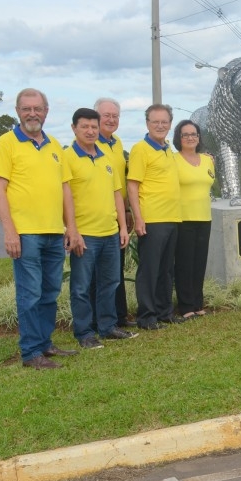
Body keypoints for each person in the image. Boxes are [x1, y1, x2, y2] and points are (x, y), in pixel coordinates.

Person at [0, 88, 78, 369]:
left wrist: (71, 228)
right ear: (17, 111)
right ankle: (30, 353)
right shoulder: (6, 143)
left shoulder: (54, 146)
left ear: (46, 111)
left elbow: (65, 190)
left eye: (37, 108)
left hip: (53, 232)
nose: (32, 114)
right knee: (30, 294)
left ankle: (44, 343)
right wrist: (10, 231)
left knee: (50, 292)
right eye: (26, 108)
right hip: (25, 233)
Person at [63, 107, 134, 349]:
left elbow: (117, 194)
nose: (90, 131)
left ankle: (107, 326)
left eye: (94, 126)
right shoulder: (67, 158)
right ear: (74, 128)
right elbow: (65, 198)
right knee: (81, 287)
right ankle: (84, 333)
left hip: (110, 233)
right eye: (85, 126)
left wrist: (122, 228)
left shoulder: (105, 157)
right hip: (85, 235)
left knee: (110, 283)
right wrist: (72, 230)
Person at [127, 103, 183, 330]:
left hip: (172, 217)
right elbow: (132, 185)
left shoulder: (167, 148)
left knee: (166, 269)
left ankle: (164, 311)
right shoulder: (141, 149)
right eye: (155, 121)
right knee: (150, 270)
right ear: (147, 123)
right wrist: (138, 218)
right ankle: (147, 316)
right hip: (152, 218)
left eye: (164, 122)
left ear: (170, 124)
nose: (160, 126)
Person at [94, 97, 134, 327]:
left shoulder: (116, 143)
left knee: (115, 270)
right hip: (96, 218)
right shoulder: (88, 143)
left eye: (115, 116)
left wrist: (126, 212)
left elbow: (121, 181)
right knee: (95, 275)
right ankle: (95, 320)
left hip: (117, 215)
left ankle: (119, 316)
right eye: (106, 115)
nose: (111, 119)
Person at [173, 119, 215, 319]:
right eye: (186, 134)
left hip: (204, 217)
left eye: (194, 134)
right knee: (184, 263)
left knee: (199, 263)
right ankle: (186, 306)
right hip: (183, 218)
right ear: (179, 138)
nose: (190, 138)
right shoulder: (173, 160)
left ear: (199, 137)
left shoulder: (208, 160)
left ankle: (198, 303)